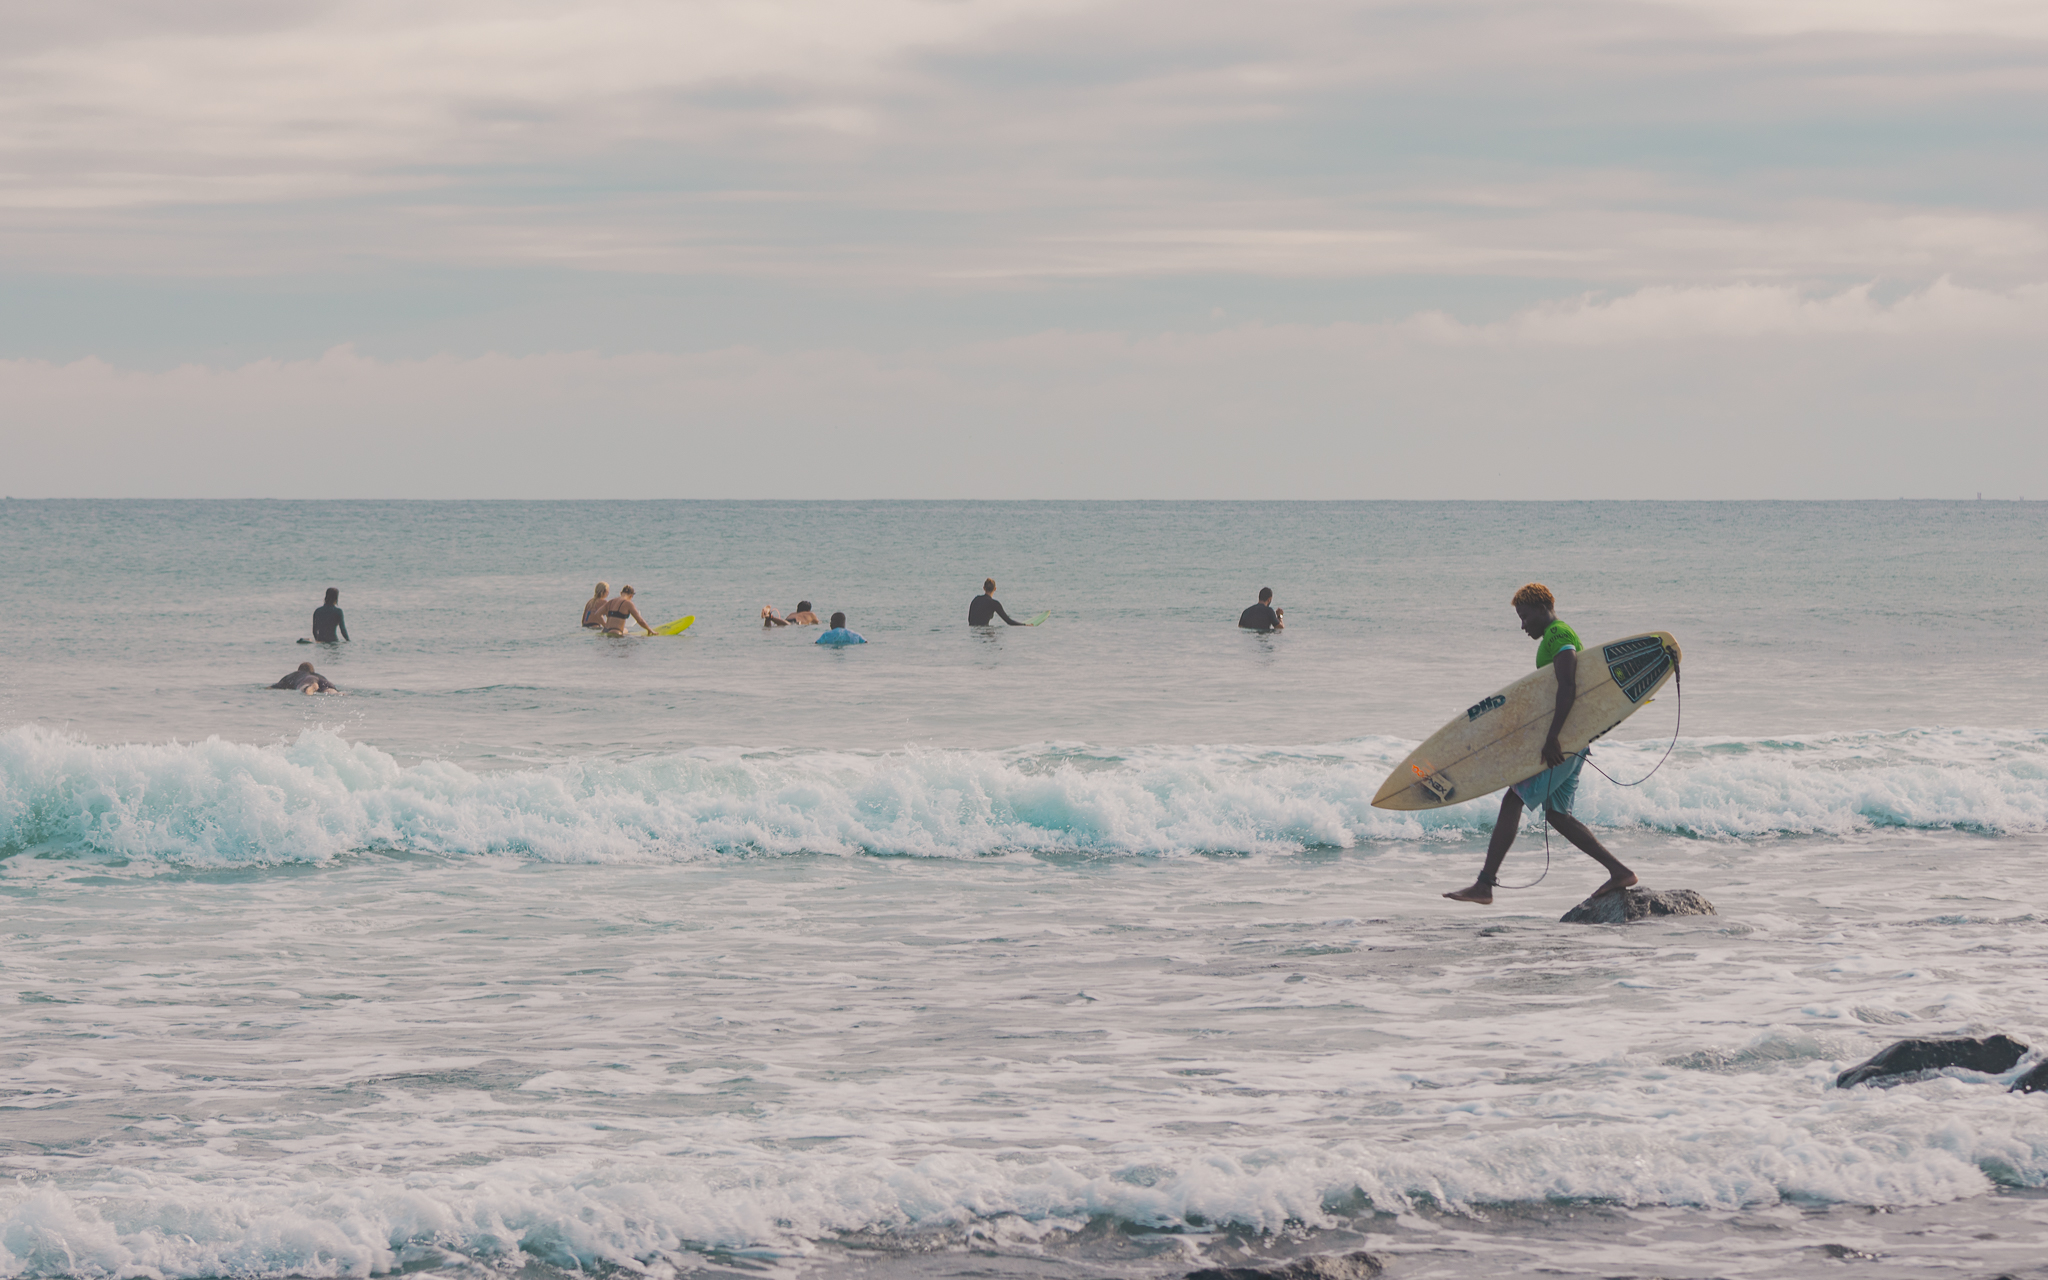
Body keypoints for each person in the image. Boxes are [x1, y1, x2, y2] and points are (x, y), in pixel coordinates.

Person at [1444, 583, 1636, 906]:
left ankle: (1484, 884)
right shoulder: (1554, 637)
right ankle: (1619, 872)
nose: (1522, 625)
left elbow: (1568, 685)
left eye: (1524, 616)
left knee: (1512, 799)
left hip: (1563, 741)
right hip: (1572, 740)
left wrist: (1552, 737)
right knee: (1558, 816)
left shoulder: (1558, 636)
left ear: (1542, 607)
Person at [270, 662, 339, 694]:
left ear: (299, 670)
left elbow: (276, 686)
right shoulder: (319, 675)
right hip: (324, 681)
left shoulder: (296, 675)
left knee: (305, 686)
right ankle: (334, 692)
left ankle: (311, 688)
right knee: (329, 690)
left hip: (307, 680)